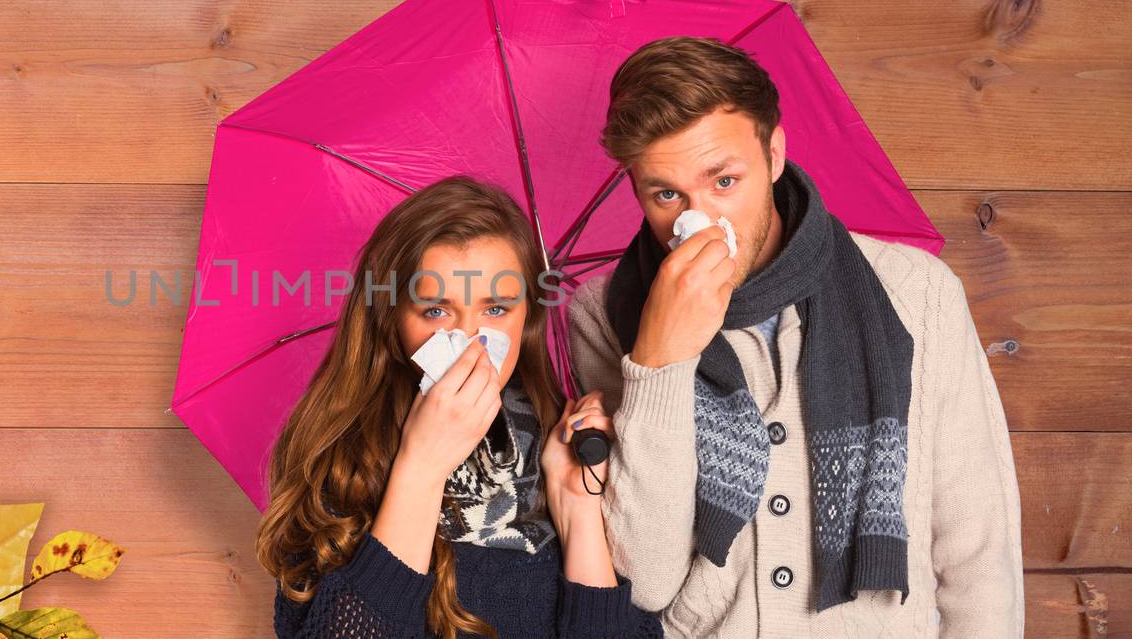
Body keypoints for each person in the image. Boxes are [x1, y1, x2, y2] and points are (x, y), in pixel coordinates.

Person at [565, 35, 1025, 636]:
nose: (697, 220)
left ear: (774, 153)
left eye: (724, 181)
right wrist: (658, 359)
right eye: (667, 194)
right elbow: (646, 579)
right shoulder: (605, 313)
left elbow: (977, 549)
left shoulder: (917, 292)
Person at [258, 175, 664, 638]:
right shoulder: (341, 465)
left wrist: (578, 512)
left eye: (496, 310)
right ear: (391, 323)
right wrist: (422, 467)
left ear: (527, 318)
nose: (471, 341)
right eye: (436, 311)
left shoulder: (569, 451)